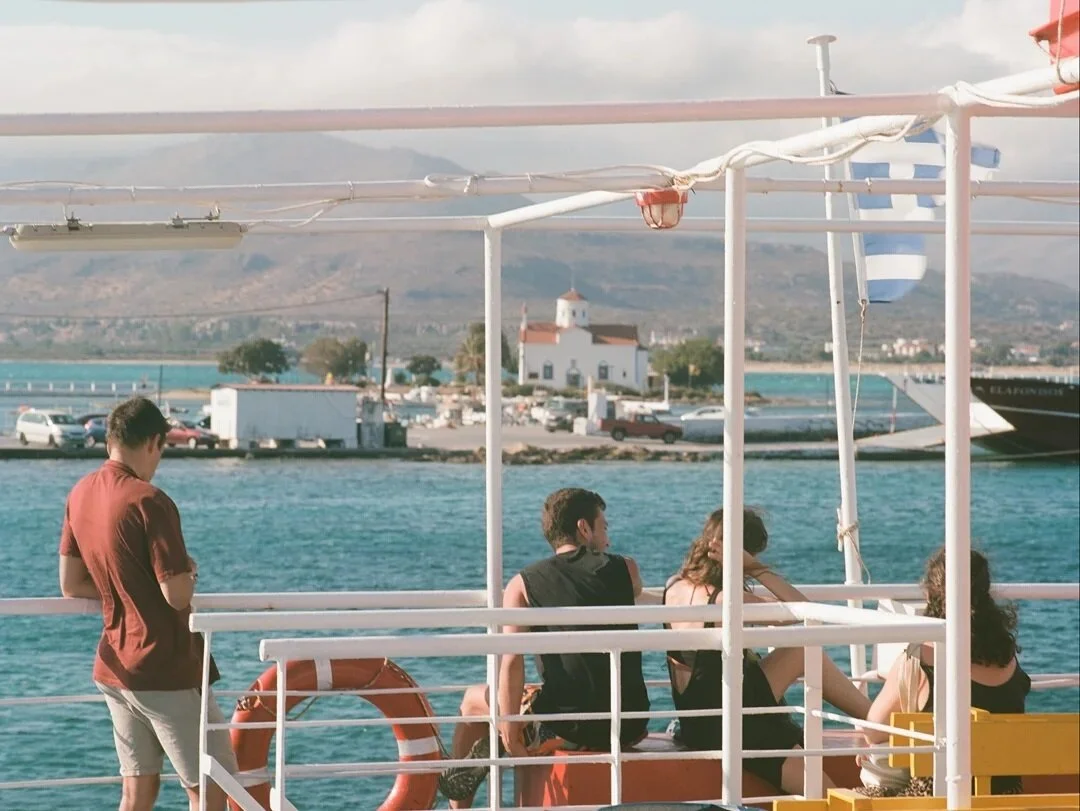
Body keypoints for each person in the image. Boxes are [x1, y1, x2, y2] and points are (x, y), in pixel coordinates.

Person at [58, 397, 237, 811]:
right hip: (163, 669)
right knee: (210, 789)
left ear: (110, 440)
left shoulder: (80, 493)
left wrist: (124, 586)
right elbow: (176, 595)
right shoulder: (149, 500)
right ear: (154, 441)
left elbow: (71, 583)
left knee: (137, 792)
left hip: (115, 668)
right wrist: (188, 571)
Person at [439, 487, 650, 808]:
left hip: (572, 724)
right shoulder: (627, 568)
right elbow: (634, 589)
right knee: (543, 692)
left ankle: (463, 800)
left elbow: (512, 660)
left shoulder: (523, 584)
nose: (607, 537)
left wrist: (508, 724)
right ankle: (521, 731)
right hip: (631, 723)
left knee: (472, 700)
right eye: (604, 527)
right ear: (584, 528)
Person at [662, 507, 872, 794]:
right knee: (803, 648)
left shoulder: (674, 586)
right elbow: (805, 612)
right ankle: (876, 720)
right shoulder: (726, 600)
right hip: (734, 727)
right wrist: (757, 570)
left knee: (798, 651)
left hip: (698, 721)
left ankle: (874, 718)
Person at [862, 547, 1030, 795]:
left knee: (870, 783)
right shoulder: (1007, 659)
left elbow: (873, 731)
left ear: (931, 594)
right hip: (1005, 797)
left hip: (940, 797)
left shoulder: (921, 660)